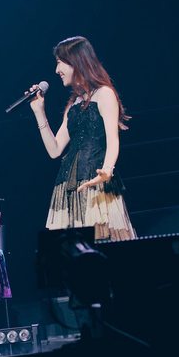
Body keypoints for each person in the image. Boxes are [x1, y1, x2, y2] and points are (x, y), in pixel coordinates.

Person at [29, 36, 136, 242]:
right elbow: (54, 150)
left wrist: (107, 170)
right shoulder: (74, 104)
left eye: (59, 62)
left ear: (75, 61)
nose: (57, 70)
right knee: (73, 249)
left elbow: (113, 140)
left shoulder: (104, 94)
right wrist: (39, 112)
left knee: (103, 244)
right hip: (68, 186)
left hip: (97, 183)